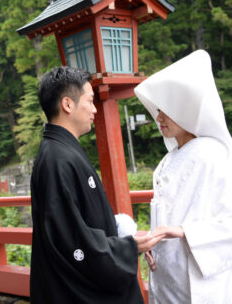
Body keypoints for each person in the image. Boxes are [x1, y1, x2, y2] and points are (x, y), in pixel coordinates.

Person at [30, 66, 163, 304]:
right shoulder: (57, 159)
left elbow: (83, 220)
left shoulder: (61, 151)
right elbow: (71, 240)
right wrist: (126, 248)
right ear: (68, 104)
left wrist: (125, 235)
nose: (94, 109)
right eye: (90, 101)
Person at [134, 50, 232, 303]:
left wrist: (182, 230)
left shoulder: (213, 154)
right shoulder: (169, 159)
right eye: (158, 110)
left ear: (187, 109)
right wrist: (152, 240)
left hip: (198, 273)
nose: (159, 118)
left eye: (166, 110)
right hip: (166, 270)